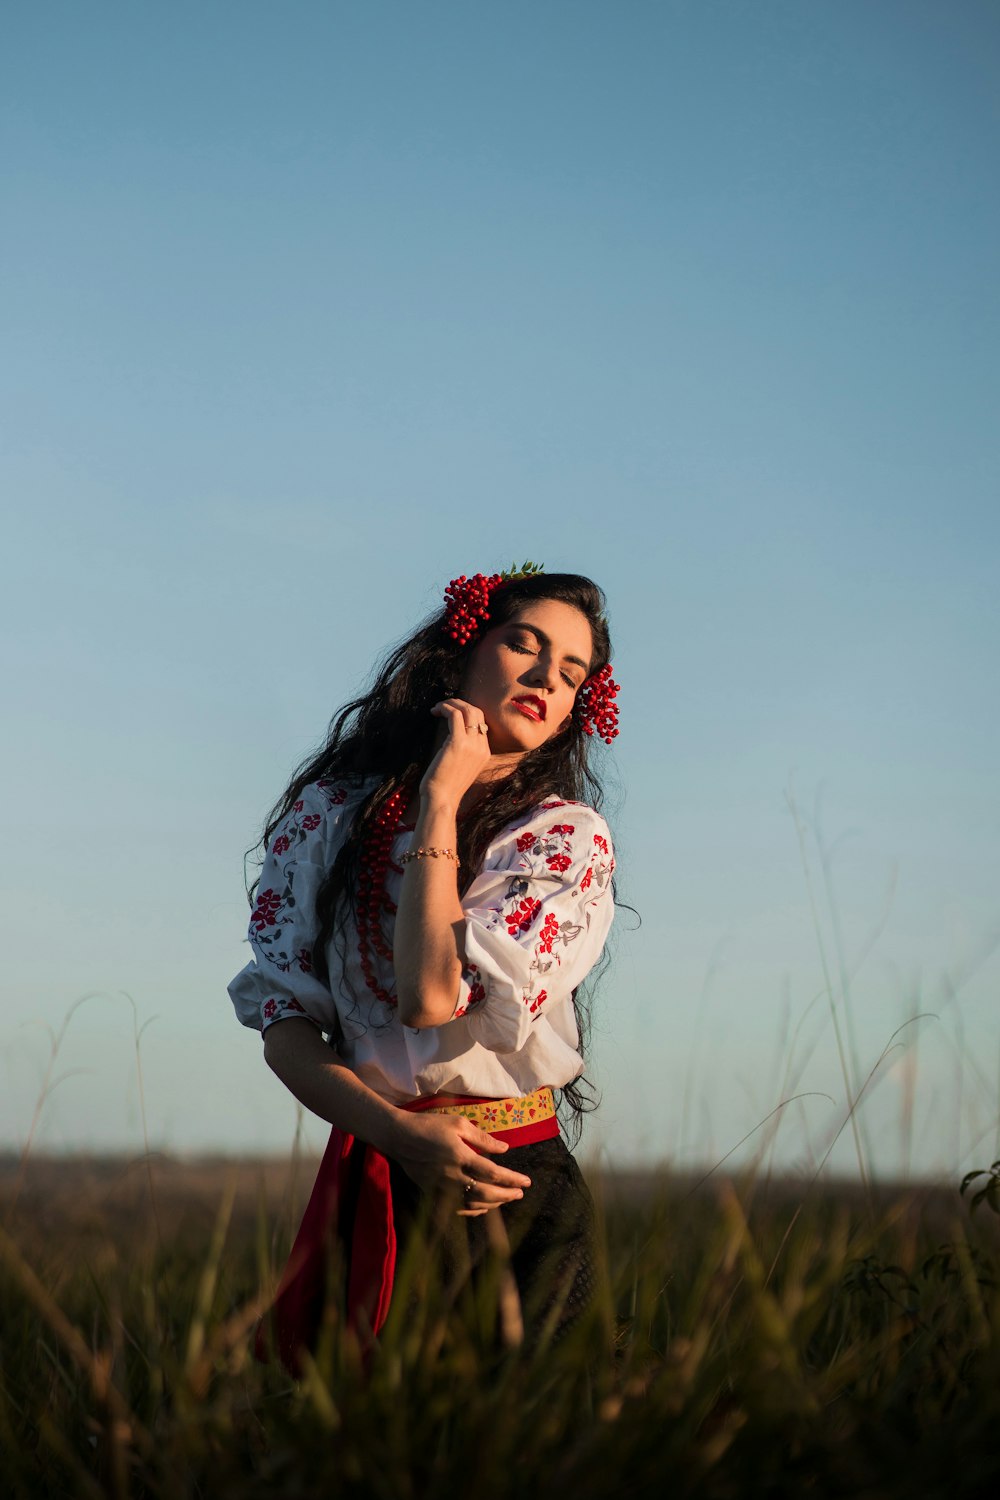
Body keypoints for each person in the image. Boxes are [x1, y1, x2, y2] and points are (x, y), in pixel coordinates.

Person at [228, 567, 620, 1370]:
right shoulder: (335, 812)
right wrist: (397, 1135)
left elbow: (431, 997)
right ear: (462, 650)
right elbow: (284, 1023)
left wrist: (440, 804)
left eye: (572, 672)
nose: (548, 678)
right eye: (526, 645)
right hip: (380, 1168)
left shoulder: (562, 841)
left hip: (517, 1191)